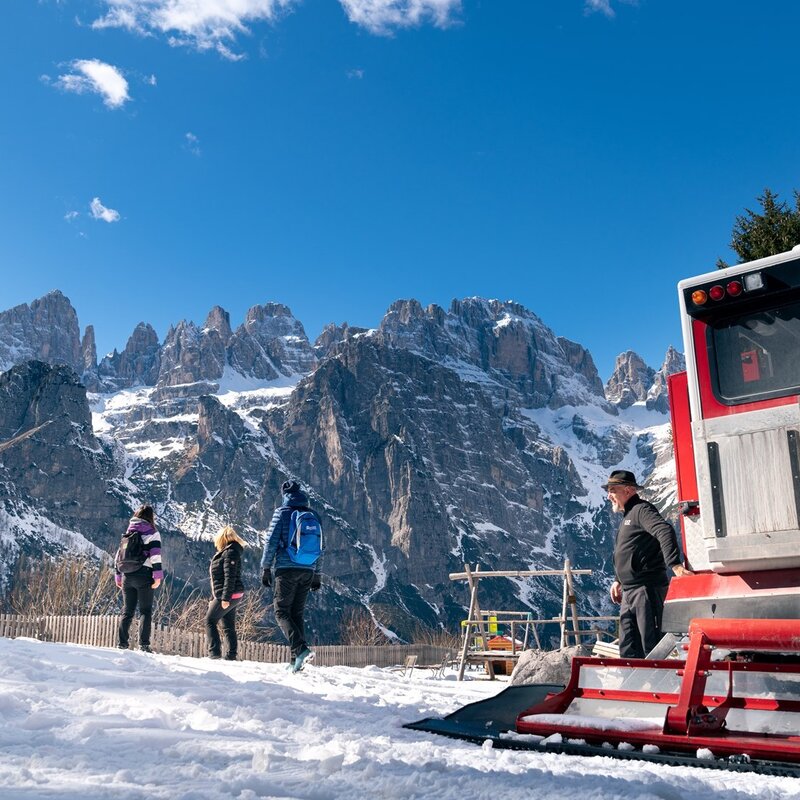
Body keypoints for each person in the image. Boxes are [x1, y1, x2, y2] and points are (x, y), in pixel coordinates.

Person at [603, 470, 692, 659]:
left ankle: (657, 679)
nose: (609, 496)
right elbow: (628, 550)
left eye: (612, 490)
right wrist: (618, 580)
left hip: (646, 591)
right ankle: (631, 679)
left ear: (628, 490)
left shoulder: (641, 510)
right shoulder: (628, 515)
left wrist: (674, 565)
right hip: (629, 593)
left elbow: (664, 530)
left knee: (651, 649)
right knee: (628, 650)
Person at [261, 480, 323, 672]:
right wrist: (317, 573)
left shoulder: (282, 513)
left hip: (286, 569)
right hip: (308, 570)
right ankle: (296, 661)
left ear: (284, 495)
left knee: (281, 611)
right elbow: (321, 547)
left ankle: (301, 650)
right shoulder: (313, 515)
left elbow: (271, 542)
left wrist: (266, 568)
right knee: (296, 614)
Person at [116, 504, 163, 652]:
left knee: (127, 611)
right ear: (150, 517)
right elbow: (155, 556)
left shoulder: (128, 532)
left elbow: (118, 556)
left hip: (127, 576)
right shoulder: (153, 533)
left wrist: (118, 577)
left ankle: (122, 643)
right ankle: (143, 644)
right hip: (144, 575)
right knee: (145, 611)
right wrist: (157, 577)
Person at [206, 525, 246, 660]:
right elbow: (218, 579)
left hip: (229, 594)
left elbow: (230, 577)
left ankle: (214, 653)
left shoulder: (230, 552)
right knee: (228, 625)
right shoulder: (229, 551)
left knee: (210, 620)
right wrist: (214, 597)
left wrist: (225, 598)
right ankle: (231, 655)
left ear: (221, 538)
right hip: (231, 594)